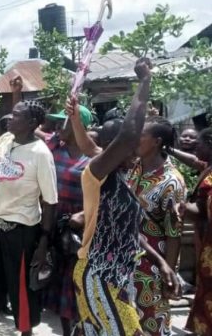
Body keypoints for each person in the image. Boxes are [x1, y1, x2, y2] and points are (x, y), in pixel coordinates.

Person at [70, 58, 155, 336]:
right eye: (129, 149)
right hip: (100, 273)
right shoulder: (97, 172)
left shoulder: (114, 170)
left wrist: (74, 118)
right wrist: (144, 83)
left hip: (114, 275)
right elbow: (128, 137)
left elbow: (88, 145)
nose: (135, 153)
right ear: (112, 148)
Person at [0, 100, 58, 335]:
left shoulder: (41, 154)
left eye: (16, 116)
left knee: (20, 286)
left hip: (21, 230)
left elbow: (50, 201)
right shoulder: (4, 141)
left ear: (32, 123)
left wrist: (43, 242)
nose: (9, 118)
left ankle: (25, 330)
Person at [125, 116, 185, 336]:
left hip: (151, 265)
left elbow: (174, 234)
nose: (135, 139)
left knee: (151, 322)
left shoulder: (171, 182)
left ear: (157, 141)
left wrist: (168, 274)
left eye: (141, 134)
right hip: (125, 258)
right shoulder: (135, 167)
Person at [42, 105, 93, 336]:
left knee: (78, 284)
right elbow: (34, 130)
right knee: (60, 283)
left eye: (63, 122)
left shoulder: (92, 157)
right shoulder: (54, 148)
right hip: (55, 223)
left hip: (82, 227)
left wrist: (84, 215)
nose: (57, 127)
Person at [183, 127, 212, 335]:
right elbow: (193, 161)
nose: (196, 146)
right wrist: (170, 150)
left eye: (200, 143)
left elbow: (199, 211)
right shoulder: (208, 168)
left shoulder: (210, 178)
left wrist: (181, 204)